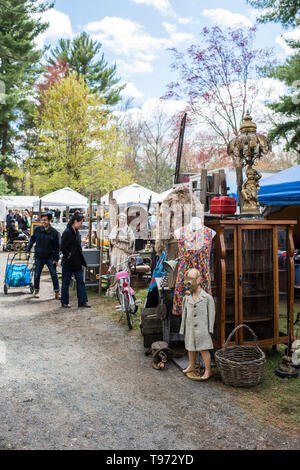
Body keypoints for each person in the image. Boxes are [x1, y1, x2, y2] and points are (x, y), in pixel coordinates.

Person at [180, 268, 216, 381]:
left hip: (203, 329)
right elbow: (184, 314)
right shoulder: (187, 298)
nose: (188, 282)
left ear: (199, 279)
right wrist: (183, 328)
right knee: (190, 347)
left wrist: (210, 329)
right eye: (187, 279)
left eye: (191, 279)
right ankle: (191, 365)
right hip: (190, 327)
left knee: (204, 349)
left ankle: (208, 370)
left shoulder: (207, 298)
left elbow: (211, 314)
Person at [60, 213, 90, 308]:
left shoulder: (76, 231)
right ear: (75, 221)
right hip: (68, 262)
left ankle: (82, 301)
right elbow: (62, 247)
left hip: (77, 261)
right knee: (66, 282)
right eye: (80, 222)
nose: (81, 224)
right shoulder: (67, 232)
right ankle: (64, 302)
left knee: (80, 281)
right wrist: (68, 255)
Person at [27, 212, 60, 299]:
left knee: (54, 275)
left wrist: (56, 259)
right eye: (42, 220)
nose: (43, 222)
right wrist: (28, 248)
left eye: (45, 220)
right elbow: (32, 239)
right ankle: (36, 291)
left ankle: (57, 292)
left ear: (50, 221)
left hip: (50, 258)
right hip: (39, 256)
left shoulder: (54, 233)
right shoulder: (37, 230)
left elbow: (57, 247)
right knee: (37, 274)